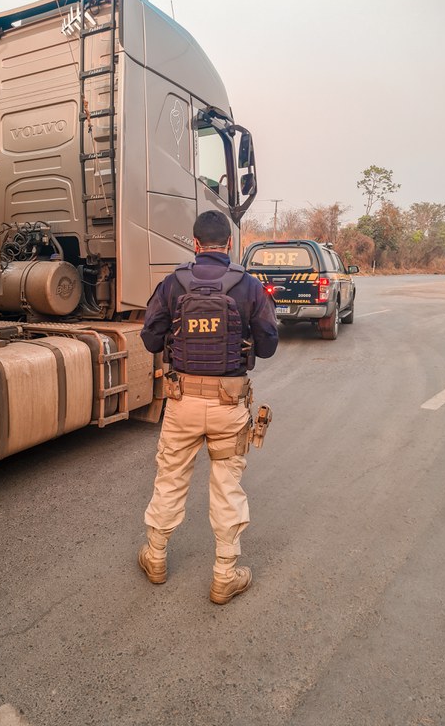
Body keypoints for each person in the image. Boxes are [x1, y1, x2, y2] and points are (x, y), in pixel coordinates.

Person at [138, 210, 278, 604]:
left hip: (181, 403)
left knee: (170, 480)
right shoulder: (249, 287)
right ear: (229, 245)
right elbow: (267, 347)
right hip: (229, 405)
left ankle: (156, 558)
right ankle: (225, 574)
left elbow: (150, 340)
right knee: (227, 486)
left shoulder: (172, 284)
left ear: (194, 243)